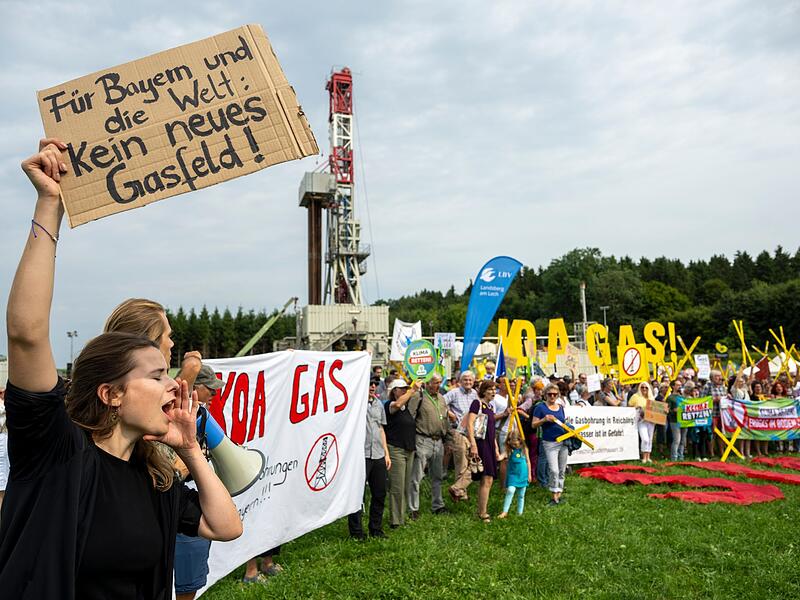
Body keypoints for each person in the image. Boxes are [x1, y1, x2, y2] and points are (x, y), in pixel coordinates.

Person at [0, 139, 242, 599]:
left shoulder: (153, 477)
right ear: (110, 395)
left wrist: (191, 450)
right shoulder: (57, 454)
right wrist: (50, 204)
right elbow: (27, 332)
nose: (173, 384)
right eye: (155, 376)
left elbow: (226, 526)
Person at [348, 377, 391, 539]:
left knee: (379, 493)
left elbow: (381, 429)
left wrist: (386, 453)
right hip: (361, 455)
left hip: (378, 454)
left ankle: (376, 528)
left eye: (375, 384)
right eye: (369, 383)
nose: (373, 386)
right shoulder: (356, 404)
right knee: (357, 495)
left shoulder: (379, 404)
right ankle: (356, 532)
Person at [407, 374, 449, 518]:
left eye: (439, 382)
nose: (438, 385)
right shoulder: (418, 397)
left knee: (437, 475)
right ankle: (413, 508)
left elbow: (445, 418)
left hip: (438, 441)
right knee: (416, 476)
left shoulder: (442, 398)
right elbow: (409, 416)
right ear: (428, 384)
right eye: (436, 383)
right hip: (423, 439)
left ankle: (438, 505)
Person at [385, 378, 421, 528]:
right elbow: (397, 404)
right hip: (396, 449)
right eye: (402, 389)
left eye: (406, 388)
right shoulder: (389, 405)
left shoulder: (406, 407)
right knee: (397, 487)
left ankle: (401, 516)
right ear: (394, 391)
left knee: (405, 485)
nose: (406, 390)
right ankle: (395, 521)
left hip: (408, 449)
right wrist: (413, 390)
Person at [466, 380, 501, 522]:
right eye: (490, 389)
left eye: (494, 389)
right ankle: (482, 512)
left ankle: (482, 510)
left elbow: (490, 429)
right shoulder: (477, 403)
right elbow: (470, 424)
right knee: (486, 477)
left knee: (489, 478)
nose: (493, 392)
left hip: (490, 445)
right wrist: (473, 445)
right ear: (483, 390)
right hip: (481, 444)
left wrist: (496, 447)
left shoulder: (491, 407)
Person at [532, 384, 568, 506]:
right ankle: (553, 495)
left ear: (558, 395)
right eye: (550, 394)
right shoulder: (540, 408)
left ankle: (559, 494)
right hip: (549, 442)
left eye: (555, 394)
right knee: (554, 470)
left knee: (562, 469)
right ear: (545, 394)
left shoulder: (561, 407)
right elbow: (533, 424)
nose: (552, 396)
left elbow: (564, 421)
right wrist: (544, 420)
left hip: (563, 441)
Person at [445, 371, 478, 503]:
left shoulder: (475, 394)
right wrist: (449, 413)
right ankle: (460, 493)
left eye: (470, 380)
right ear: (460, 381)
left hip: (471, 432)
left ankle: (459, 489)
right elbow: (441, 403)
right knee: (461, 461)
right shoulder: (454, 392)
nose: (468, 382)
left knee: (470, 461)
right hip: (458, 431)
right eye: (465, 380)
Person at [497, 429, 531, 518]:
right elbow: (501, 457)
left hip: (523, 474)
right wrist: (498, 455)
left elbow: (528, 462)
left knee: (521, 495)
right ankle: (505, 511)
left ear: (520, 441)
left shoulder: (524, 449)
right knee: (510, 490)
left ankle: (520, 513)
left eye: (515, 444)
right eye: (512, 444)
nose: (514, 446)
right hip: (513, 474)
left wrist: (529, 474)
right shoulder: (509, 450)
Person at [629, 382, 656, 463]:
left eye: (646, 387)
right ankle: (644, 457)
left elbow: (656, 409)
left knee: (650, 439)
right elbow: (629, 406)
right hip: (641, 421)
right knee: (645, 439)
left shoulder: (651, 398)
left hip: (651, 421)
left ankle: (648, 457)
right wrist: (636, 407)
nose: (644, 389)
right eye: (642, 387)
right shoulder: (635, 396)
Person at [667, 381, 687, 461]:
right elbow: (667, 410)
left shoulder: (683, 397)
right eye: (677, 385)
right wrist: (673, 410)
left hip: (684, 421)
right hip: (674, 421)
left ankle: (681, 456)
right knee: (677, 440)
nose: (679, 386)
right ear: (673, 386)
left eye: (680, 385)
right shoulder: (670, 398)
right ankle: (674, 457)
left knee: (683, 440)